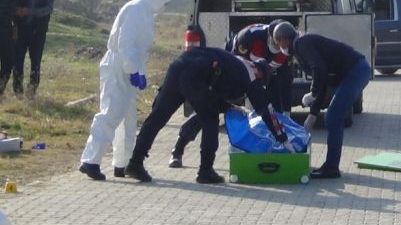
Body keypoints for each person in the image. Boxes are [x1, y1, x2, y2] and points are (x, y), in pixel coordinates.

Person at [124, 47, 288, 184]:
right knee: (210, 119)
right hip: (196, 73)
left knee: (157, 118)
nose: (259, 84)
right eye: (261, 80)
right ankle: (205, 171)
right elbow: (265, 110)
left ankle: (135, 163)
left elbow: (217, 90)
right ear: (260, 72)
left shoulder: (235, 61)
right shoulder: (251, 73)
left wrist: (228, 106)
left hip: (179, 65)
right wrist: (282, 138)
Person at [79, 0, 173, 181]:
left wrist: (139, 70)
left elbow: (139, 48)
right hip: (116, 67)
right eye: (165, 3)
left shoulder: (145, 12)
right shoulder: (136, 9)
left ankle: (123, 164)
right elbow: (125, 43)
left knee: (128, 120)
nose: (164, 8)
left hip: (127, 67)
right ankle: (90, 161)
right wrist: (132, 69)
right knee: (111, 113)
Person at [168, 19, 292, 168]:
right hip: (226, 75)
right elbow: (231, 62)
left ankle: (255, 150)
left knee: (263, 112)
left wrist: (286, 114)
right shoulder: (249, 37)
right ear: (274, 38)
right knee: (206, 109)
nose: (283, 46)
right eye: (280, 42)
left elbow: (283, 82)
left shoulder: (284, 53)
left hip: (252, 78)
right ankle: (178, 149)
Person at [273, 22, 371, 179]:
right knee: (333, 117)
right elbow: (323, 80)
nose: (279, 47)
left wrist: (312, 93)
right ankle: (330, 166)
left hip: (356, 71)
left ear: (284, 38)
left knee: (333, 117)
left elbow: (319, 69)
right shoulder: (301, 47)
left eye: (278, 42)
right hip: (356, 70)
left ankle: (331, 168)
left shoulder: (301, 44)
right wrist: (312, 114)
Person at [12, 0, 55, 98]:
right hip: (21, 28)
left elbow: (48, 9)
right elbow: (15, 1)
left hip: (38, 31)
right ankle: (17, 91)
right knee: (17, 60)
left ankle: (31, 92)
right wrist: (17, 11)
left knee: (35, 61)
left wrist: (29, 11)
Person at [0, 0, 19, 96]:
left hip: (8, 32)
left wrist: (16, 30)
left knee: (8, 64)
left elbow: (17, 13)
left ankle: (0, 90)